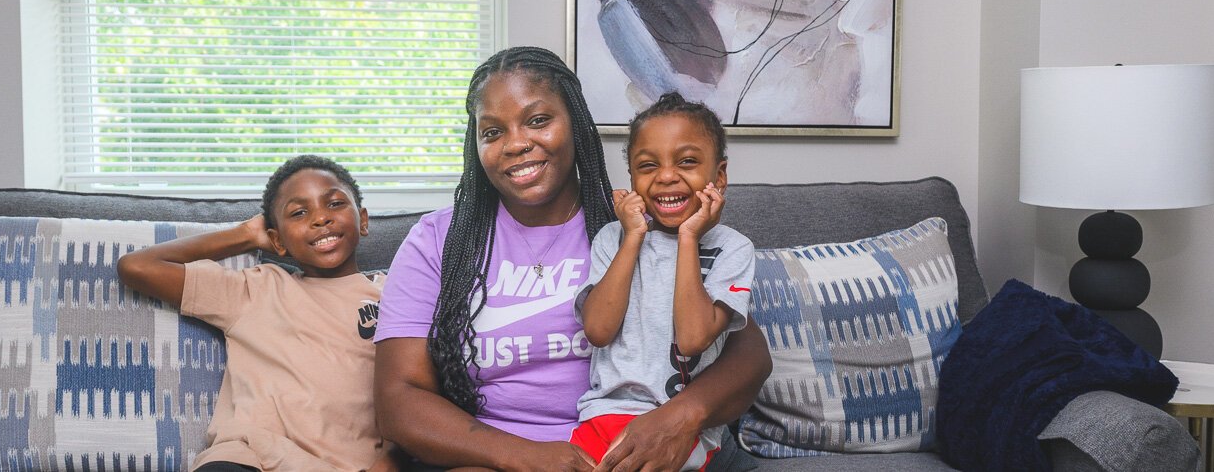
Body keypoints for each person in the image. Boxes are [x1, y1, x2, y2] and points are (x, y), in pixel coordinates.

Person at [374, 46, 771, 472]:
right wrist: (527, 457)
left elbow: (749, 356)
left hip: (633, 449)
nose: (517, 144)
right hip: (499, 458)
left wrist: (678, 418)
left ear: (576, 124)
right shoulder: (439, 241)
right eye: (492, 132)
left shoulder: (635, 224)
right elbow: (399, 401)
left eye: (538, 120)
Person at [117, 155, 394, 472]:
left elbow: (408, 390)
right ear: (277, 239)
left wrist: (391, 458)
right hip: (251, 457)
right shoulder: (255, 289)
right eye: (299, 212)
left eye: (334, 204)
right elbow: (137, 267)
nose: (321, 219)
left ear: (363, 220)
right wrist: (246, 235)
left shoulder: (393, 297)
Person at [570, 92, 752, 471]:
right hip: (603, 416)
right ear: (633, 178)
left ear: (718, 176)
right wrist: (632, 236)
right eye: (648, 165)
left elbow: (691, 339)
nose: (666, 176)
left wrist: (689, 237)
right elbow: (599, 330)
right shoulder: (612, 238)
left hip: (682, 430)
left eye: (686, 161)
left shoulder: (733, 249)